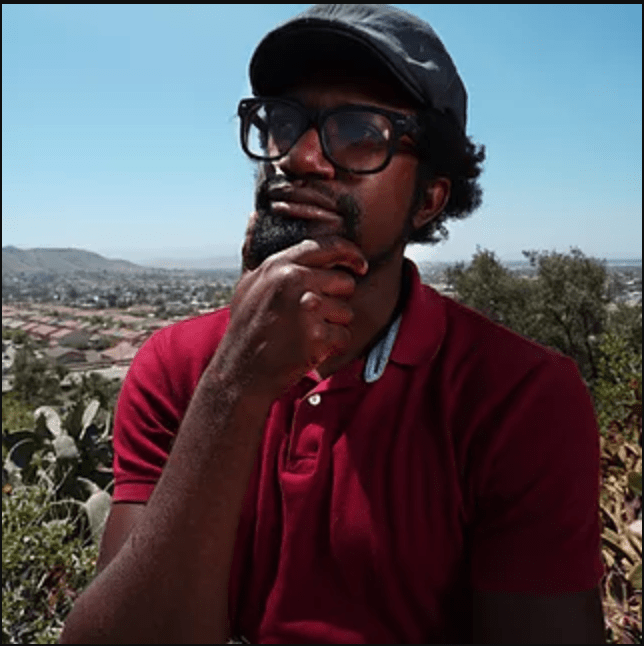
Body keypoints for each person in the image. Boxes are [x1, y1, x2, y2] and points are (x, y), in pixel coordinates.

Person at [61, 5, 605, 643]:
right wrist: (235, 385)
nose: (299, 157)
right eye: (282, 122)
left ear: (429, 199)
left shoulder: (517, 397)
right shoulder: (179, 367)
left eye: (359, 131)